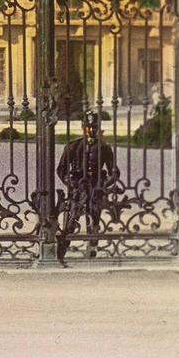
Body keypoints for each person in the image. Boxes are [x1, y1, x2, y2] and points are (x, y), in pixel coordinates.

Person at [55, 109, 120, 264]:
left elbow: (114, 171)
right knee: (71, 220)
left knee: (94, 219)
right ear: (83, 128)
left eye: (94, 127)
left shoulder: (104, 148)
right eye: (88, 127)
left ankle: (91, 250)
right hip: (77, 189)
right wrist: (70, 183)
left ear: (98, 128)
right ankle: (62, 251)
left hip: (95, 189)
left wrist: (104, 185)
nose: (91, 130)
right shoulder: (72, 147)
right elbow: (61, 169)